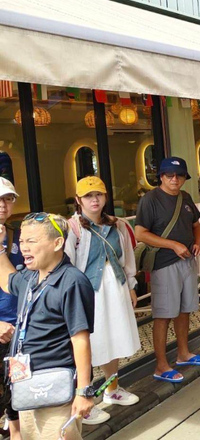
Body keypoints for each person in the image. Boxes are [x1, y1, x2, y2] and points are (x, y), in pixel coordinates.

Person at [0, 214, 95, 440]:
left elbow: (80, 340)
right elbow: (7, 282)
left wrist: (83, 391)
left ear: (57, 243)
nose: (24, 247)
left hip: (57, 386)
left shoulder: (72, 281)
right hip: (27, 382)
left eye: (31, 241)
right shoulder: (30, 276)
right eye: (22, 241)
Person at [64, 177, 141, 425]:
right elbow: (66, 265)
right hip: (88, 292)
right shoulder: (72, 228)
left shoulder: (118, 225)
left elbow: (127, 258)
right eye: (88, 196)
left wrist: (131, 286)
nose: (94, 200)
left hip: (116, 287)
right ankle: (83, 401)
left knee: (114, 338)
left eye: (98, 194)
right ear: (78, 200)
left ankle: (111, 389)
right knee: (86, 343)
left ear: (106, 197)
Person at [134, 157, 200, 384]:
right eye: (169, 175)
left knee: (185, 309)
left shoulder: (185, 197)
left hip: (187, 261)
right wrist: (173, 245)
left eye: (179, 175)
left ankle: (183, 353)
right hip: (164, 263)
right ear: (161, 177)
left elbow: (196, 225)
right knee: (164, 314)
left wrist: (197, 243)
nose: (174, 179)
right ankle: (161, 365)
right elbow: (140, 233)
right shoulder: (150, 199)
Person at [0, 178, 21, 440]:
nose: (3, 205)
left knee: (17, 390)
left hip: (19, 329)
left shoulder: (19, 235)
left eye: (8, 199)